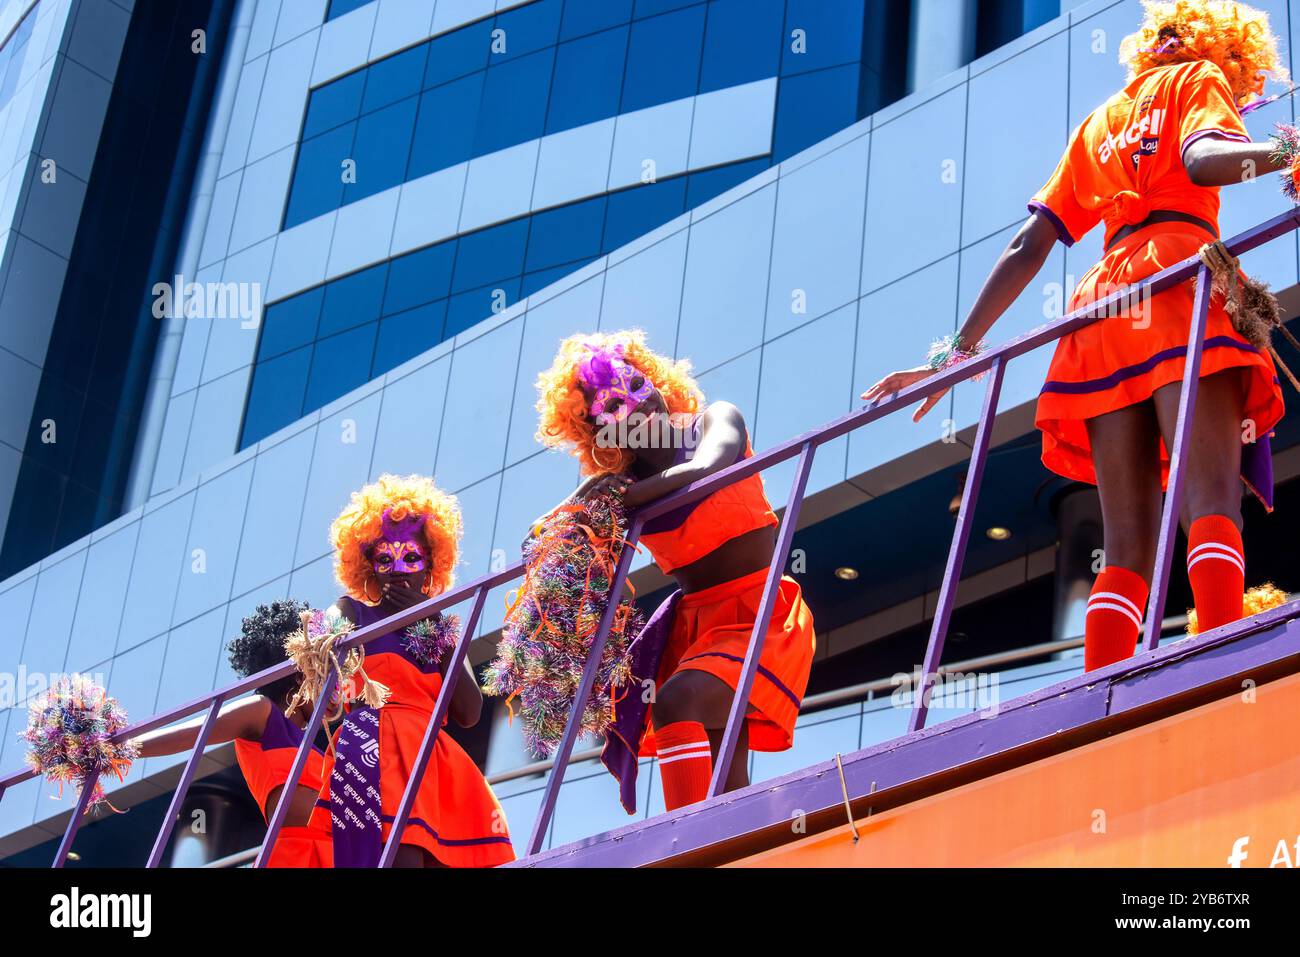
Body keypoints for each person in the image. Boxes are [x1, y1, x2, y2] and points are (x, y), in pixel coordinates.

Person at [863, 0, 1288, 671]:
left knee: (1125, 549)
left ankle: (1101, 702)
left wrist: (956, 352)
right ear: (1231, 56)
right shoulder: (1196, 78)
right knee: (1211, 495)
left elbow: (1030, 243)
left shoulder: (1100, 120)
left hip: (1100, 307)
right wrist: (1287, 150)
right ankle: (1222, 666)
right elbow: (1205, 159)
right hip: (1179, 278)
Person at [531, 330, 816, 811]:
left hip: (761, 614)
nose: (636, 406)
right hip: (695, 629)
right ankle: (738, 849)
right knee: (727, 772)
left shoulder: (713, 420)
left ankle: (686, 842)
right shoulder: (624, 488)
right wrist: (583, 514)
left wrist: (614, 499)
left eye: (637, 387)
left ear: (657, 382)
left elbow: (708, 467)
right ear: (604, 436)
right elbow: (559, 538)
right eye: (614, 408)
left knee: (678, 702)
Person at [311, 473, 514, 867]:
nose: (398, 570)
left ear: (431, 564)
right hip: (374, 748)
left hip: (431, 759)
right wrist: (327, 633)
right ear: (369, 566)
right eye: (385, 558)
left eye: (411, 557)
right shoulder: (354, 612)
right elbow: (320, 633)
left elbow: (469, 713)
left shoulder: (440, 629)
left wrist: (431, 621)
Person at [132, 600, 333, 867]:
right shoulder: (262, 714)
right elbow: (191, 735)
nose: (335, 689)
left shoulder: (321, 749)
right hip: (297, 856)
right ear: (301, 675)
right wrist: (119, 746)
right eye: (327, 675)